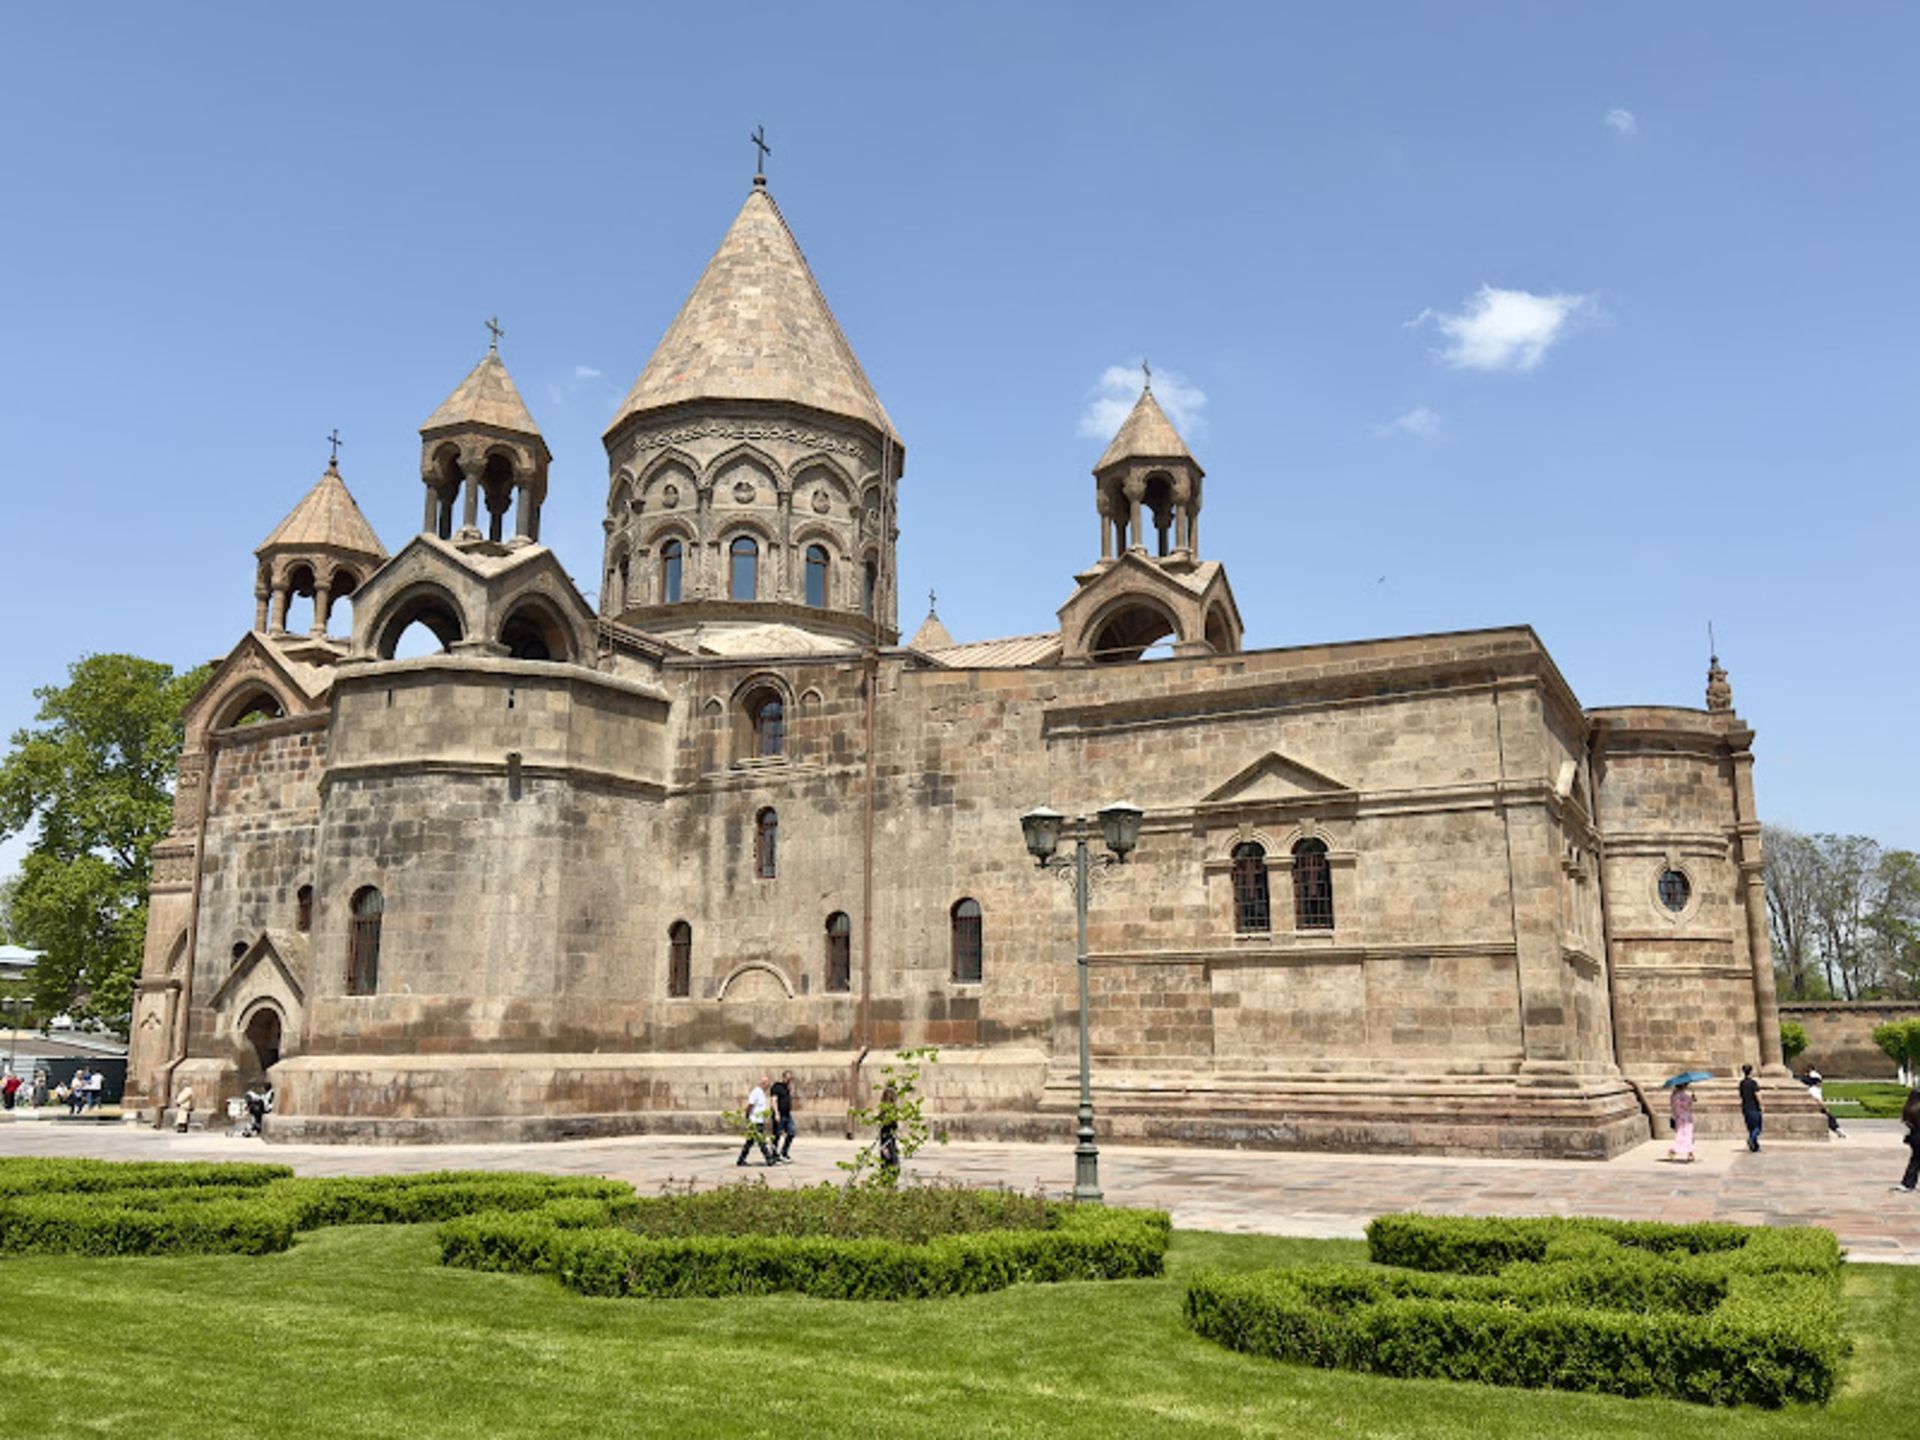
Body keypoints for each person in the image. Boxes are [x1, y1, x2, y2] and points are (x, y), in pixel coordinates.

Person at [736, 1074, 777, 1167]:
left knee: (750, 1142)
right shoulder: (756, 1092)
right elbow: (750, 1105)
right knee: (761, 1141)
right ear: (763, 1083)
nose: (768, 1086)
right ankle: (769, 1158)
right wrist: (747, 1116)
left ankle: (741, 1159)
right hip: (754, 1121)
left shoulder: (761, 1093)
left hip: (759, 1120)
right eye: (768, 1084)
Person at [1803, 1069, 1846, 1139]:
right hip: (1816, 1109)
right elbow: (1818, 1101)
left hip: (1814, 1108)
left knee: (1830, 1118)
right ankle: (1839, 1131)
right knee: (1830, 1118)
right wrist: (1826, 1108)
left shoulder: (1813, 1089)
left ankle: (1838, 1131)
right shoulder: (1813, 1089)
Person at [769, 1070, 796, 1163]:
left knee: (791, 1132)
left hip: (787, 1114)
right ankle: (774, 1155)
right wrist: (776, 1113)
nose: (789, 1081)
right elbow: (773, 1100)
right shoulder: (777, 1087)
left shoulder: (787, 1088)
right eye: (788, 1078)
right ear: (784, 1077)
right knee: (777, 1135)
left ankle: (784, 1152)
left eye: (791, 1079)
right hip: (779, 1114)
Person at [1666, 1081, 1696, 1163]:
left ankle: (1690, 1153)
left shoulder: (1673, 1095)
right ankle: (1674, 1150)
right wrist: (1691, 1099)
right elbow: (1686, 1105)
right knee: (1685, 1135)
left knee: (1684, 1134)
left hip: (1678, 1117)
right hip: (1684, 1118)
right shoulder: (1682, 1096)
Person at [1898, 1088, 1920, 1194]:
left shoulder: (1909, 1108)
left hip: (1914, 1137)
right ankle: (1907, 1183)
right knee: (1915, 1161)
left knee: (1915, 1161)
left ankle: (1907, 1183)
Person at [876, 1083, 900, 1178]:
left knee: (886, 1168)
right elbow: (888, 1132)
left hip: (886, 1144)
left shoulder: (883, 1113)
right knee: (891, 1168)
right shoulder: (890, 1113)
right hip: (888, 1145)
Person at [1738, 1062, 1763, 1152]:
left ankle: (1755, 1146)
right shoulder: (1753, 1083)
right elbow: (1757, 1094)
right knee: (1757, 1128)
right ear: (1751, 1071)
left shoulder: (1741, 1083)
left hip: (1745, 1108)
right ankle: (1751, 1139)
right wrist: (1761, 1105)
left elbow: (1741, 1095)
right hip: (1754, 1108)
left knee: (1750, 1127)